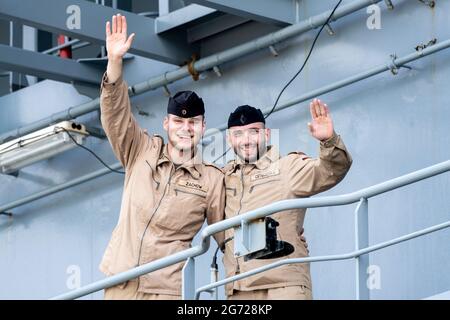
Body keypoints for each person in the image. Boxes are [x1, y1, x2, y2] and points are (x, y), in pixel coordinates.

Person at [99, 13, 225, 300]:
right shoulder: (139, 149)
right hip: (121, 284)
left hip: (167, 292)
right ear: (166, 124)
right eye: (178, 123)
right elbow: (115, 115)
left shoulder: (210, 180)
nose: (185, 129)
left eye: (192, 123)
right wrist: (115, 62)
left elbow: (228, 236)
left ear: (203, 127)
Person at [222, 101, 352, 300]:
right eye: (238, 134)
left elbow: (330, 171)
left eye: (253, 132)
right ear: (229, 139)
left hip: (284, 286)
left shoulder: (287, 167)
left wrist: (329, 141)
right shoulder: (223, 178)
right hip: (239, 290)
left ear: (266, 135)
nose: (246, 140)